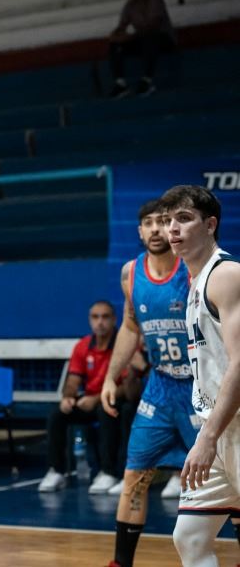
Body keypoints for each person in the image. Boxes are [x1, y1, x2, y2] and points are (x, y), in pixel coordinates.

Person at [101, 199, 196, 567]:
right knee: (135, 476)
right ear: (140, 231)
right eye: (148, 223)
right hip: (159, 387)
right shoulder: (131, 273)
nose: (156, 229)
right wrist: (111, 376)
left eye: (163, 221)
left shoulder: (194, 268)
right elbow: (130, 327)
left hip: (199, 389)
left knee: (229, 479)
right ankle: (120, 563)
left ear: (174, 229)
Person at [161, 185, 240, 566]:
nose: (172, 228)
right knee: (190, 537)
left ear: (210, 225)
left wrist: (206, 438)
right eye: (168, 220)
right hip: (218, 428)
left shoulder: (226, 275)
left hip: (232, 428)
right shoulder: (194, 282)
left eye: (184, 218)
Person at [38, 301, 132, 494]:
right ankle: (56, 471)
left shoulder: (122, 345)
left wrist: (97, 399)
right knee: (57, 414)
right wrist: (68, 397)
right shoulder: (82, 346)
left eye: (105, 317)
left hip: (113, 399)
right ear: (90, 320)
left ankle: (108, 472)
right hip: (89, 400)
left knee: (106, 409)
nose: (100, 322)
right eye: (95, 317)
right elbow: (73, 380)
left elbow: (127, 389)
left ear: (114, 320)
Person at [108, 0, 176, 99]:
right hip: (142, 41)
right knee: (115, 45)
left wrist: (130, 37)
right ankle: (120, 84)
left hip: (163, 40)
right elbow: (122, 26)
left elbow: (154, 26)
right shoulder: (129, 5)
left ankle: (147, 81)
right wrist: (114, 35)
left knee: (151, 38)